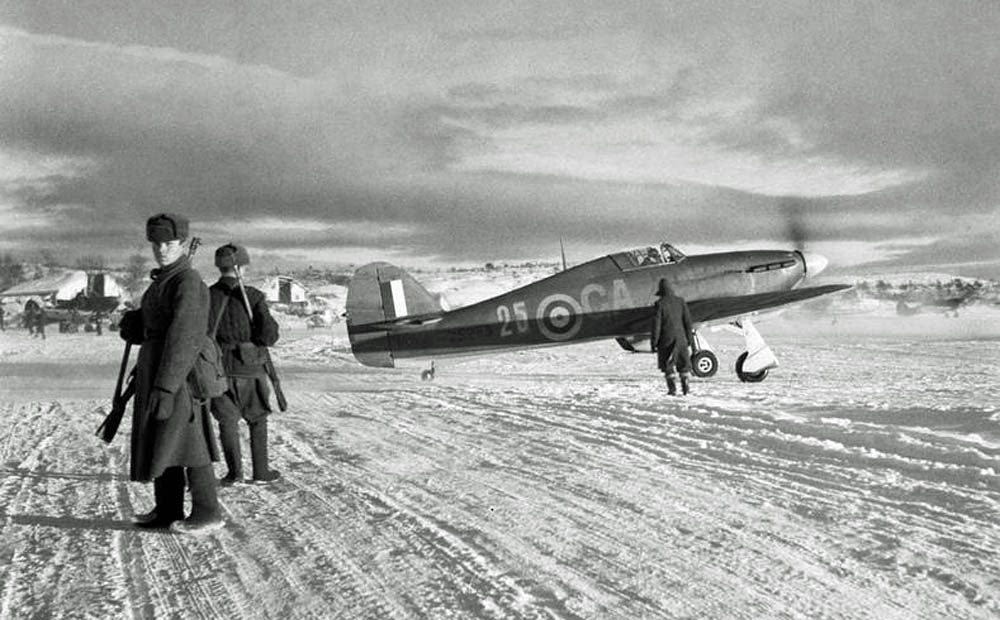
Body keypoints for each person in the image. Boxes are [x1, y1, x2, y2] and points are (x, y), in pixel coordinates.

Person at [118, 213, 223, 534]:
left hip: (179, 377)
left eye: (169, 243)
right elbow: (159, 325)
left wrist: (165, 387)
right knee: (164, 440)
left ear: (181, 243)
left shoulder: (188, 282)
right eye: (156, 243)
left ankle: (208, 513)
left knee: (190, 443)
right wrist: (136, 324)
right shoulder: (163, 281)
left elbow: (184, 338)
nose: (162, 249)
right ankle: (167, 509)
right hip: (159, 372)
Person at [208, 243, 281, 485]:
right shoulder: (252, 296)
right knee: (257, 419)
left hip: (217, 369)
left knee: (227, 421)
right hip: (249, 368)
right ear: (242, 267)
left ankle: (234, 474)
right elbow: (269, 336)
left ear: (220, 267)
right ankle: (261, 472)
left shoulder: (207, 296)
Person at [650, 278, 695, 396]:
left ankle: (672, 389)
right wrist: (690, 339)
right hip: (681, 339)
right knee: (684, 365)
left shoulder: (660, 304)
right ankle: (686, 388)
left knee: (668, 366)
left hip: (666, 340)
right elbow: (687, 322)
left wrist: (654, 343)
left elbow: (656, 325)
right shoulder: (681, 301)